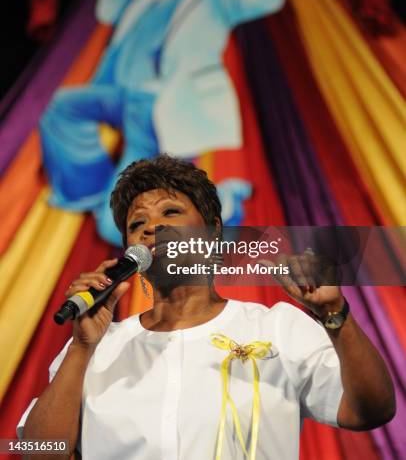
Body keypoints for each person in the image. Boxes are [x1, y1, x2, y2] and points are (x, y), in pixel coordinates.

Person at [19, 154, 395, 460]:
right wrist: (83, 347)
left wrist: (335, 317)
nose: (152, 229)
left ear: (213, 230)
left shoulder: (276, 328)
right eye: (138, 223)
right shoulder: (96, 348)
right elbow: (37, 453)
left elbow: (371, 411)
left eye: (170, 213)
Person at [39, 0, 311, 246]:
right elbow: (108, 11)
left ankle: (223, 205)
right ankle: (88, 189)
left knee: (113, 226)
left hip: (165, 107)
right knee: (62, 107)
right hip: (119, 93)